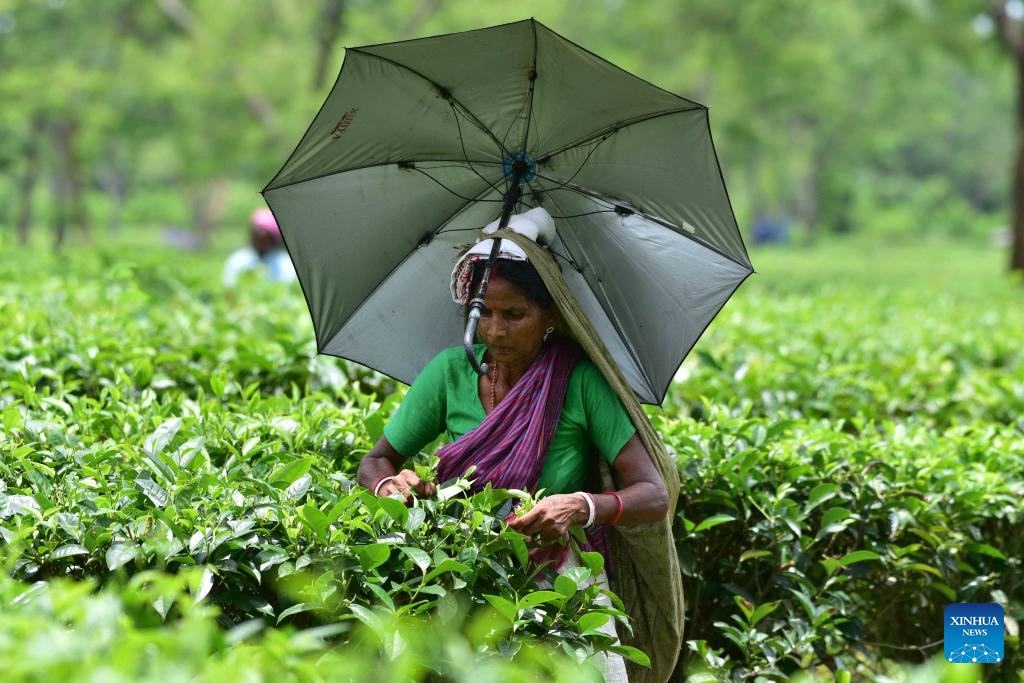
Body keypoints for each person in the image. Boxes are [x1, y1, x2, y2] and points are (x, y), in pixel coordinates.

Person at [356, 207, 669, 680]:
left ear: (550, 315)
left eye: (515, 315)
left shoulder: (579, 380)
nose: (495, 330)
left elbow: (653, 493)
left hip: (561, 589)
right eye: (485, 314)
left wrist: (580, 506)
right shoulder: (449, 373)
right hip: (465, 574)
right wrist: (393, 487)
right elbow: (377, 460)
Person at [222, 208, 297, 288]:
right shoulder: (238, 260)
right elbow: (229, 286)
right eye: (258, 235)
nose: (262, 240)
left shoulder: (285, 263)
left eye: (267, 236)